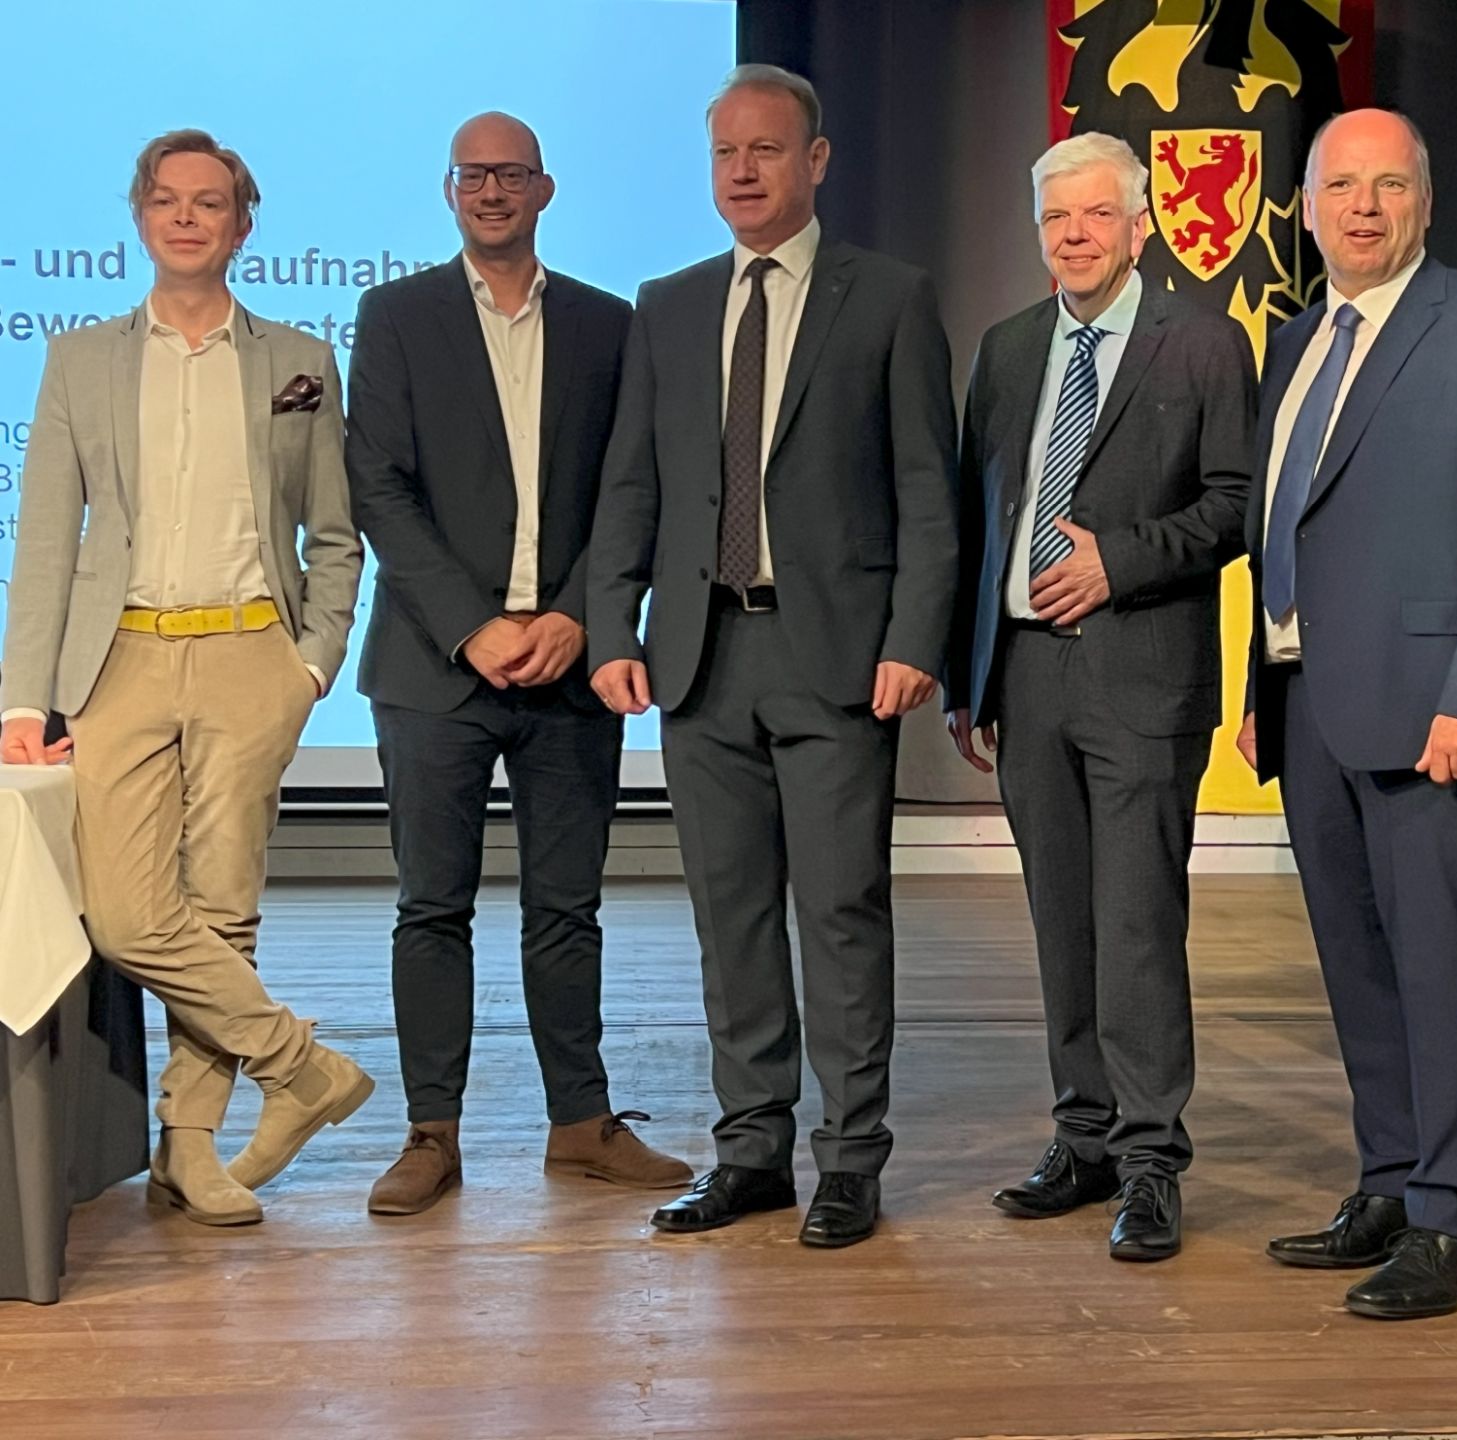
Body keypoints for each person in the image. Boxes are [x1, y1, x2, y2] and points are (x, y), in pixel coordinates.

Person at [586, 65, 958, 1249]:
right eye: (724, 153)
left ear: (816, 160)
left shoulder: (888, 298)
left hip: (836, 656)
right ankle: (750, 1151)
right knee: (730, 917)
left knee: (841, 913)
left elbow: (927, 492)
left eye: (764, 150)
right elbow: (633, 483)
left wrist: (914, 638)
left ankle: (849, 1159)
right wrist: (612, 625)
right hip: (701, 659)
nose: (741, 172)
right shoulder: (670, 303)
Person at [0, 130, 370, 1224]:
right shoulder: (81, 360)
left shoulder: (300, 359)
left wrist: (311, 665)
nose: (186, 217)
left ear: (242, 224)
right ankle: (300, 1067)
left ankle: (190, 1145)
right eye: (167, 199)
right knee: (124, 915)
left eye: (209, 202)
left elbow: (335, 533)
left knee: (223, 905)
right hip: (118, 659)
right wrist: (23, 697)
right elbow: (48, 543)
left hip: (255, 654)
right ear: (140, 215)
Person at [1238, 109, 1457, 1317]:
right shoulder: (1296, 341)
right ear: (1307, 207)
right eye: (1340, 187)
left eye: (1388, 185)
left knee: (1439, 964)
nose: (1363, 208)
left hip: (1433, 709)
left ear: (1424, 201)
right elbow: (1288, 526)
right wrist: (1262, 682)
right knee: (1354, 961)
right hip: (1309, 703)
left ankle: (1455, 1221)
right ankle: (1390, 1181)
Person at [346, 113, 691, 1216]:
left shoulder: (608, 323)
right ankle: (431, 1134)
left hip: (570, 666)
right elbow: (377, 486)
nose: (491, 191)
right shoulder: (394, 316)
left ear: (544, 189)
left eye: (511, 174)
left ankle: (581, 1126)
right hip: (433, 668)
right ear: (448, 191)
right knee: (430, 908)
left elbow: (633, 486)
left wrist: (582, 617)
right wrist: (472, 625)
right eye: (472, 175)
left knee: (567, 908)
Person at [944, 132, 1254, 1261]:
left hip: (1141, 671)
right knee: (1061, 920)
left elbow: (1236, 502)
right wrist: (968, 674)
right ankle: (1082, 1138)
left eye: (1094, 216)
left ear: (1140, 224)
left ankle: (1151, 1160)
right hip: (1026, 674)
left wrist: (1118, 562)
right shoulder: (1009, 346)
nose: (1073, 236)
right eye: (1055, 218)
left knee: (1136, 924)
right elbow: (977, 515)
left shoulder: (1203, 342)